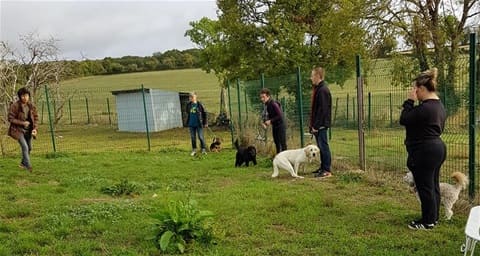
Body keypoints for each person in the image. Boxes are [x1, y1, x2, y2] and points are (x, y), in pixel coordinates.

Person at [400, 68, 446, 230]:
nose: (414, 93)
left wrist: (409, 101)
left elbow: (404, 118)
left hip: (425, 150)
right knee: (433, 185)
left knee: (425, 186)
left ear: (422, 89)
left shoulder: (424, 108)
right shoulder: (439, 106)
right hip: (437, 148)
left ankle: (427, 221)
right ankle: (433, 217)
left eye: (415, 90)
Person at [8, 87, 38, 172]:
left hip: (28, 130)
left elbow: (36, 118)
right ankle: (28, 166)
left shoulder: (31, 105)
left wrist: (35, 128)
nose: (25, 97)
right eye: (23, 96)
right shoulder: (15, 106)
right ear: (20, 97)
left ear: (29, 96)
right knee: (25, 147)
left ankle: (22, 163)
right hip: (17, 130)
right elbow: (10, 118)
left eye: (26, 95)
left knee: (29, 148)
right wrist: (22, 123)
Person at [309, 67, 332, 178]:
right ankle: (322, 167)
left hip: (321, 124)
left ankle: (327, 170)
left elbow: (322, 110)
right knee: (320, 147)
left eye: (312, 75)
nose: (311, 78)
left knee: (324, 147)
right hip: (318, 124)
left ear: (318, 76)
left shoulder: (323, 90)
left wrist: (316, 126)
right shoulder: (318, 89)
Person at [260, 88, 287, 154]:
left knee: (282, 144)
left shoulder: (273, 104)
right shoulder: (266, 105)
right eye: (261, 97)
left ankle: (286, 160)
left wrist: (270, 121)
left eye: (263, 97)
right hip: (275, 126)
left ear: (268, 96)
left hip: (280, 126)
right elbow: (267, 116)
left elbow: (280, 115)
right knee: (277, 143)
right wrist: (265, 123)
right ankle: (278, 160)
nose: (262, 99)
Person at [185, 92, 208, 156]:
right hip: (191, 124)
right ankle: (194, 150)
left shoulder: (200, 104)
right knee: (193, 137)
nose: (191, 98)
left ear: (195, 97)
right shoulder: (188, 105)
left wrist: (205, 122)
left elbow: (205, 113)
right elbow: (187, 112)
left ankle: (203, 149)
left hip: (199, 124)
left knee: (200, 137)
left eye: (192, 97)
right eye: (190, 97)